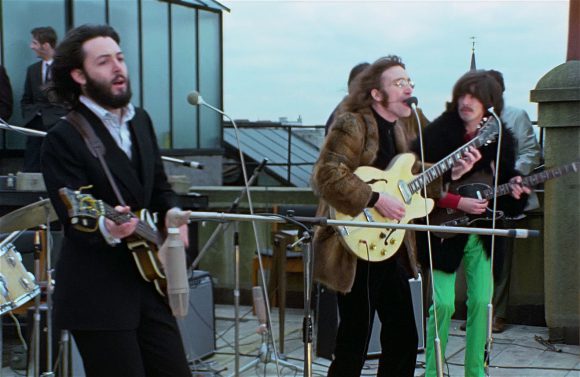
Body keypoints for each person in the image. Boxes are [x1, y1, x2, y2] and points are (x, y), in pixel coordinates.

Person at [40, 24, 191, 377]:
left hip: (150, 280)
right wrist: (106, 228)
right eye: (104, 62)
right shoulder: (64, 137)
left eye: (120, 59)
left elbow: (157, 186)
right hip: (97, 293)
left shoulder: (141, 121)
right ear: (79, 74)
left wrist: (171, 215)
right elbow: (74, 216)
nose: (118, 68)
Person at [312, 55, 448, 377]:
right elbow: (327, 175)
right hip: (356, 244)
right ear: (376, 94)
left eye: (409, 82)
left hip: (390, 244)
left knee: (404, 336)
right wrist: (374, 198)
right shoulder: (352, 123)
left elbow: (414, 183)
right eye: (399, 83)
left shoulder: (402, 128)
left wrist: (453, 167)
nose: (408, 88)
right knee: (354, 342)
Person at [411, 70, 530, 377]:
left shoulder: (501, 135)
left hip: (481, 230)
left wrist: (514, 187)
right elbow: (416, 183)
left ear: (489, 102)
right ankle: (433, 372)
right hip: (442, 228)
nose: (466, 101)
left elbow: (502, 191)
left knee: (481, 302)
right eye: (463, 94)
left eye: (475, 96)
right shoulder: (437, 133)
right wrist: (456, 200)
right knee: (444, 304)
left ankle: (475, 371)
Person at [487, 69, 542, 333]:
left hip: (508, 198)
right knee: (477, 257)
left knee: (500, 259)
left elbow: (532, 152)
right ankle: (480, 312)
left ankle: (497, 314)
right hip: (479, 199)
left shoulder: (516, 115)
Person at [21, 26, 67, 171]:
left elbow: (70, 99)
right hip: (35, 124)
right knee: (31, 167)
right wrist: (30, 114)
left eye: (34, 43)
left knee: (56, 165)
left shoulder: (64, 68)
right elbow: (26, 98)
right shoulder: (32, 69)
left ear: (45, 45)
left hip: (57, 124)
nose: (31, 46)